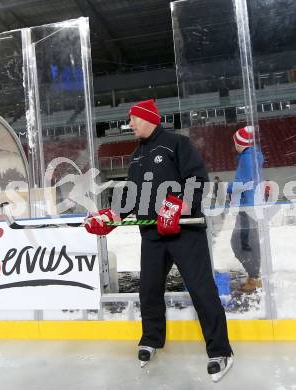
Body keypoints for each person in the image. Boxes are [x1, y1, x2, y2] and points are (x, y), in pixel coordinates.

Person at [85, 99, 233, 382]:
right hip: (152, 235)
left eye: (133, 119)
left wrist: (179, 206)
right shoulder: (137, 155)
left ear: (148, 118)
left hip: (184, 233)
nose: (130, 125)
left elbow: (198, 181)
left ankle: (220, 350)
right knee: (149, 290)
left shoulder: (177, 144)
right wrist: (110, 217)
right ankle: (152, 339)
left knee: (201, 290)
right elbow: (130, 196)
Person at [227, 126, 264, 293]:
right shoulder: (254, 156)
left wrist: (223, 187)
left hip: (248, 207)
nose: (234, 145)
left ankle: (254, 276)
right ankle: (254, 276)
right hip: (252, 207)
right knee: (249, 243)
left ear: (240, 143)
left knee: (238, 243)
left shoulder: (247, 158)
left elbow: (243, 184)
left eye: (235, 142)